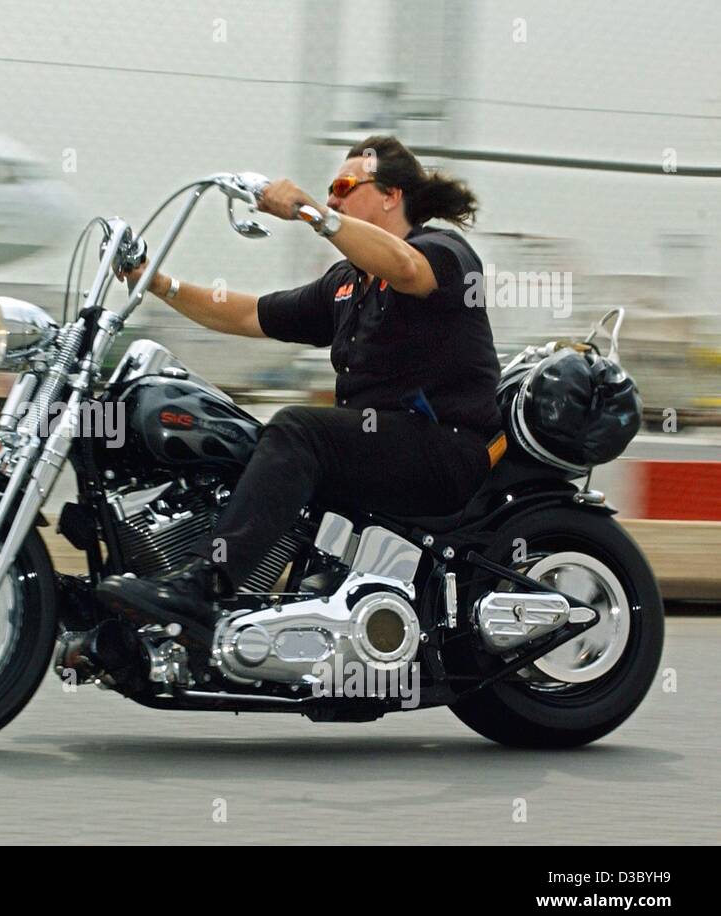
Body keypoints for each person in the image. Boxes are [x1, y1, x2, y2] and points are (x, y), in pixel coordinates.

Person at [96, 135, 504, 628]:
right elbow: (249, 314)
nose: (332, 197)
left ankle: (207, 585)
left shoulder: (442, 251)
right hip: (377, 449)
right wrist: (160, 284)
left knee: (297, 429)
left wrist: (314, 214)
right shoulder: (348, 283)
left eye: (343, 186)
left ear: (391, 195)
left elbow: (404, 266)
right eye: (330, 191)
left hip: (444, 450)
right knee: (248, 441)